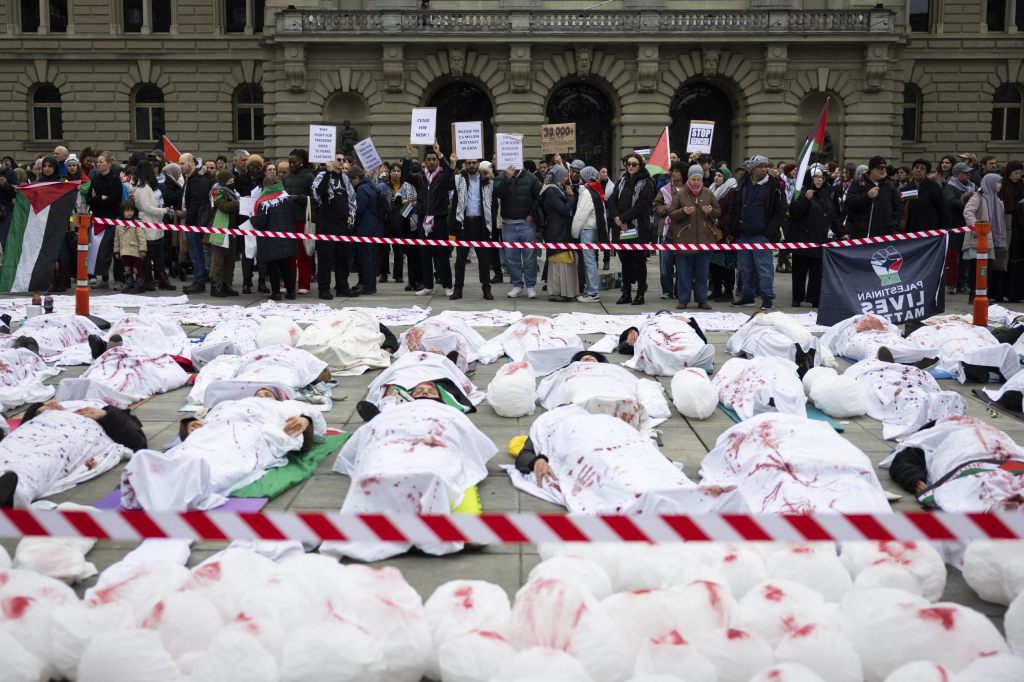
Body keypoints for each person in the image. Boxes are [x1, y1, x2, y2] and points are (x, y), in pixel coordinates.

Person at [320, 398, 495, 562]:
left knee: (432, 473)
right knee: (374, 473)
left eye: (429, 390)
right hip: (391, 440)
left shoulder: (448, 413)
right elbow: (372, 431)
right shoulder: (395, 411)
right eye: (419, 391)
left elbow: (465, 434)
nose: (423, 393)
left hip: (433, 444)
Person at [509, 404, 743, 515]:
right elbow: (526, 454)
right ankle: (645, 497)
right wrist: (537, 462)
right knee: (613, 473)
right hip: (582, 445)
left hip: (618, 440)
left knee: (643, 464)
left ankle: (674, 489)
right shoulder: (547, 426)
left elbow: (639, 442)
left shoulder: (598, 417)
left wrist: (661, 461)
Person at [121, 389, 326, 511]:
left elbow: (315, 428)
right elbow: (201, 422)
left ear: (279, 399)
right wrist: (190, 425)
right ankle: (160, 475)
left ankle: (196, 480)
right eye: (258, 393)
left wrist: (305, 420)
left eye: (268, 393)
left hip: (250, 434)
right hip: (213, 430)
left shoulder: (285, 407)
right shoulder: (229, 404)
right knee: (191, 449)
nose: (262, 395)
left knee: (226, 458)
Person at [699, 412, 892, 513]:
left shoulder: (809, 430)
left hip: (818, 454)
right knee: (784, 478)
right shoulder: (754, 430)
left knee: (786, 480)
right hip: (794, 452)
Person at [0, 400, 146, 507]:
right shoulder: (57, 404)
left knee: (40, 460)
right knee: (8, 449)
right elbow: (24, 424)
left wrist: (106, 415)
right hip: (38, 426)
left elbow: (137, 442)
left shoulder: (109, 410)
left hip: (77, 432)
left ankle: (15, 493)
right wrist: (37, 409)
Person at [886, 416, 1024, 511]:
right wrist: (914, 479)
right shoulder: (933, 436)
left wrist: (914, 480)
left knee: (984, 490)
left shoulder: (936, 434)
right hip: (988, 459)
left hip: (981, 456)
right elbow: (905, 460)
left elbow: (903, 460)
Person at [531, 350, 671, 435]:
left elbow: (630, 381)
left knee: (621, 391)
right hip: (581, 381)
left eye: (591, 358)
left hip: (610, 381)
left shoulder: (613, 368)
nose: (588, 359)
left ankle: (620, 403)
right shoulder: (572, 369)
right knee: (580, 391)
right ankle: (587, 404)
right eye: (584, 359)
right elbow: (553, 383)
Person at [843, 358, 967, 440]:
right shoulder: (864, 369)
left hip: (889, 376)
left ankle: (925, 402)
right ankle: (924, 402)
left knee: (908, 392)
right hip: (881, 375)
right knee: (904, 394)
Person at [726, 155, 787, 310]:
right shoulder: (743, 184)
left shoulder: (774, 187)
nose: (764, 169)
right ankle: (747, 296)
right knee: (745, 268)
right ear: (752, 168)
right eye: (760, 166)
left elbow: (780, 212)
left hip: (761, 235)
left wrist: (769, 233)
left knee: (764, 269)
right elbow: (735, 208)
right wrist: (732, 229)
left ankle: (767, 298)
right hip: (743, 234)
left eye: (765, 166)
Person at [403, 143, 455, 297]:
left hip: (439, 219)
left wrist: (440, 154)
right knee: (425, 254)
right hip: (422, 219)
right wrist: (408, 156)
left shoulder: (442, 177)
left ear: (437, 162)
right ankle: (428, 285)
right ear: (424, 162)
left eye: (434, 159)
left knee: (442, 254)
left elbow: (450, 171)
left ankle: (448, 285)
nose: (432, 162)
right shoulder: (420, 178)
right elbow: (405, 175)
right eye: (429, 159)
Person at [667, 163, 720, 310]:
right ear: (688, 179)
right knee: (684, 273)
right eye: (693, 179)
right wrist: (683, 211)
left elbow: (718, 212)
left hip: (705, 240)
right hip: (684, 239)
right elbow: (671, 213)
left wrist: (710, 211)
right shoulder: (681, 194)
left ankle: (702, 300)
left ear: (702, 179)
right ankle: (683, 299)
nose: (696, 182)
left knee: (702, 273)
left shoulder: (708, 193)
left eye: (698, 179)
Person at [247, 162, 302, 301]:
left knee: (273, 267)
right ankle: (291, 292)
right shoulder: (287, 198)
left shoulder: (263, 202)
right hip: (287, 238)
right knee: (287, 267)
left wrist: (252, 218)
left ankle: (276, 293)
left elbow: (261, 223)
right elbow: (294, 216)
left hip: (270, 242)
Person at [607, 152, 656, 305]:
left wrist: (623, 218)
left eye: (634, 164)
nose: (631, 167)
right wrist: (616, 217)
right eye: (628, 164)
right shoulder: (621, 181)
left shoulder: (647, 182)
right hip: (621, 229)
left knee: (639, 262)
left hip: (637, 228)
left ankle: (640, 294)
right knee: (625, 262)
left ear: (640, 165)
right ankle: (626, 292)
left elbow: (642, 205)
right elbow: (611, 200)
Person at [787, 164, 839, 308]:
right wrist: (805, 199)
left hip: (820, 239)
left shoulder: (826, 194)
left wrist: (841, 233)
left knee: (816, 272)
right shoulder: (801, 192)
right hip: (803, 239)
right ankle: (797, 298)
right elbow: (794, 213)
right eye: (816, 177)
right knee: (800, 271)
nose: (819, 180)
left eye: (821, 177)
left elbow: (833, 216)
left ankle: (814, 298)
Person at [448, 155, 496, 301]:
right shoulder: (459, 180)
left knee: (484, 260)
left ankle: (486, 289)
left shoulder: (487, 181)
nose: (471, 165)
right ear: (464, 165)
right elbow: (446, 183)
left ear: (478, 164)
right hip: (463, 223)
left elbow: (495, 200)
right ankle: (458, 290)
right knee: (460, 260)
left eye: (474, 163)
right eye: (468, 163)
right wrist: (451, 165)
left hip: (481, 224)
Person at [310, 152, 357, 300]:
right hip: (327, 222)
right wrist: (327, 173)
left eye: (343, 159)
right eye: (339, 159)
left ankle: (342, 287)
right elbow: (318, 193)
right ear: (331, 161)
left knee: (343, 257)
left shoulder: (345, 178)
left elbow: (352, 197)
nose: (342, 162)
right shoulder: (321, 175)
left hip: (343, 222)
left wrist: (351, 215)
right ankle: (324, 289)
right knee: (325, 257)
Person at [494, 160, 542, 299]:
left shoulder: (531, 178)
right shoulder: (503, 176)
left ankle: (531, 286)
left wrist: (531, 215)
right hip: (508, 224)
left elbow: (538, 198)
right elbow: (498, 193)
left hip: (526, 224)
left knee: (529, 258)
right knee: (512, 258)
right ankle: (517, 285)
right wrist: (507, 179)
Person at [616, 312, 714, 376]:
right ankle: (695, 361)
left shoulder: (679, 320)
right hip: (657, 335)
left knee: (698, 344)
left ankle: (664, 360)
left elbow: (703, 340)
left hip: (681, 333)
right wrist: (632, 331)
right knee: (651, 343)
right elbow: (623, 346)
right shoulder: (650, 321)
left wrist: (690, 322)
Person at [129, 160, 177, 292]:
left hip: (155, 225)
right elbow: (147, 208)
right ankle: (147, 280)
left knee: (158, 257)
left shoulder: (147, 187)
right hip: (149, 224)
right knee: (148, 256)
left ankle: (161, 279)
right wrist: (164, 211)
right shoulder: (143, 188)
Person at [964, 173, 1007, 302]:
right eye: (998, 182)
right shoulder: (978, 197)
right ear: (990, 183)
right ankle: (974, 294)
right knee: (975, 268)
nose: (1000, 185)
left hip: (990, 240)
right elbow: (968, 211)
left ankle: (983, 294)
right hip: (977, 238)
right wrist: (976, 226)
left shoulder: (998, 201)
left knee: (986, 269)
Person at [539, 163, 578, 302]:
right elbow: (563, 210)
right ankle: (557, 291)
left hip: (560, 230)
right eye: (564, 176)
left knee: (563, 261)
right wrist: (571, 197)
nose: (566, 179)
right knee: (558, 261)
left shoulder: (556, 189)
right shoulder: (551, 191)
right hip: (556, 231)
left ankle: (564, 291)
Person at [572, 166, 608, 303]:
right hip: (594, 229)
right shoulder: (596, 189)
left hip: (587, 229)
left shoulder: (587, 192)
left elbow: (581, 214)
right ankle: (590, 290)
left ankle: (593, 292)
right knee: (590, 261)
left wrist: (574, 232)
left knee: (589, 262)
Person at [179, 153, 213, 294]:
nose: (180, 166)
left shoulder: (197, 179)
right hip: (194, 219)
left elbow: (197, 202)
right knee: (195, 252)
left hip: (196, 221)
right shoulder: (192, 178)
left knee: (196, 252)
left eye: (182, 163)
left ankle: (199, 281)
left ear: (191, 163)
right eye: (180, 163)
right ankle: (198, 279)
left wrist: (189, 219)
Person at [844, 155, 902, 238]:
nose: (883, 170)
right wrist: (867, 196)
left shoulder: (889, 184)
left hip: (885, 233)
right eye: (880, 168)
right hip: (863, 233)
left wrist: (894, 222)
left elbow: (898, 205)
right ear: (872, 169)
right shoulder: (858, 183)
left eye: (884, 168)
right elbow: (850, 203)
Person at [283, 148, 315, 295]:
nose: (291, 165)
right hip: (288, 219)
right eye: (290, 162)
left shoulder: (310, 177)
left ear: (301, 162)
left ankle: (304, 284)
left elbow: (314, 198)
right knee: (288, 254)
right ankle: (289, 282)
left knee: (303, 254)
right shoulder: (286, 177)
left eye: (294, 162)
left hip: (302, 219)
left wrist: (299, 198)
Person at [652, 162, 685, 301]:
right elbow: (656, 206)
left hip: (684, 231)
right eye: (673, 171)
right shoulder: (664, 189)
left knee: (682, 264)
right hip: (666, 231)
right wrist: (667, 208)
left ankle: (679, 290)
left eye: (677, 171)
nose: (674, 174)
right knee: (665, 263)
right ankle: (667, 290)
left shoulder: (689, 189)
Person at [943, 162, 975, 295]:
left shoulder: (972, 187)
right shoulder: (949, 187)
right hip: (954, 226)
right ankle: (951, 283)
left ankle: (963, 283)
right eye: (965, 173)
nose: (968, 175)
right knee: (952, 255)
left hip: (967, 226)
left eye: (969, 173)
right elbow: (951, 202)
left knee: (965, 256)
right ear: (957, 174)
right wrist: (969, 207)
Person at [207, 170, 241, 297]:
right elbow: (223, 206)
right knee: (218, 260)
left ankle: (227, 285)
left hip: (231, 230)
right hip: (219, 229)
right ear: (223, 181)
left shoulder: (233, 193)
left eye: (233, 181)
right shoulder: (217, 191)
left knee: (230, 260)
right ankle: (216, 287)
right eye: (229, 181)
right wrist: (238, 203)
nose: (232, 184)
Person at [349, 164, 382, 296]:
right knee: (371, 258)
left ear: (356, 178)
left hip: (366, 227)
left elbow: (359, 209)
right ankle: (368, 284)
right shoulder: (370, 185)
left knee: (366, 258)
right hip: (374, 227)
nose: (351, 183)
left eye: (351, 180)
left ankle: (368, 286)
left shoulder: (362, 189)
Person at [382, 162, 415, 287]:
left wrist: (401, 201)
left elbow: (411, 201)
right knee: (384, 249)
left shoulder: (406, 186)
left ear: (401, 173)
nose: (396, 173)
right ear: (390, 172)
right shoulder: (384, 186)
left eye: (398, 171)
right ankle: (384, 273)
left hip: (400, 221)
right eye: (394, 171)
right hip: (386, 220)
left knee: (399, 249)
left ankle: (398, 275)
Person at [709, 166, 739, 303]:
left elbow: (731, 212)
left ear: (726, 177)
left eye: (720, 176)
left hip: (726, 234)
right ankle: (716, 290)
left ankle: (728, 292)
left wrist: (720, 223)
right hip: (714, 233)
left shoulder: (731, 191)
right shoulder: (712, 189)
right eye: (715, 175)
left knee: (727, 265)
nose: (716, 178)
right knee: (714, 264)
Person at [1002, 160, 1024, 301]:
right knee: (1010, 258)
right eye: (1015, 173)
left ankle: (1019, 292)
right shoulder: (1004, 186)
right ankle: (1009, 292)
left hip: (1021, 225)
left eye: (1020, 173)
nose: (1018, 176)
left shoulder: (1022, 185)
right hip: (1009, 226)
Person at [114, 201, 147, 294]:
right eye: (127, 210)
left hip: (135, 252)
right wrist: (116, 251)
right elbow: (116, 239)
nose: (130, 213)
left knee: (137, 269)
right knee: (127, 269)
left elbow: (142, 237)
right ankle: (129, 284)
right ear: (122, 212)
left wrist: (142, 249)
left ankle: (139, 285)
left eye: (131, 210)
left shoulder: (137, 223)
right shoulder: (118, 224)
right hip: (124, 252)